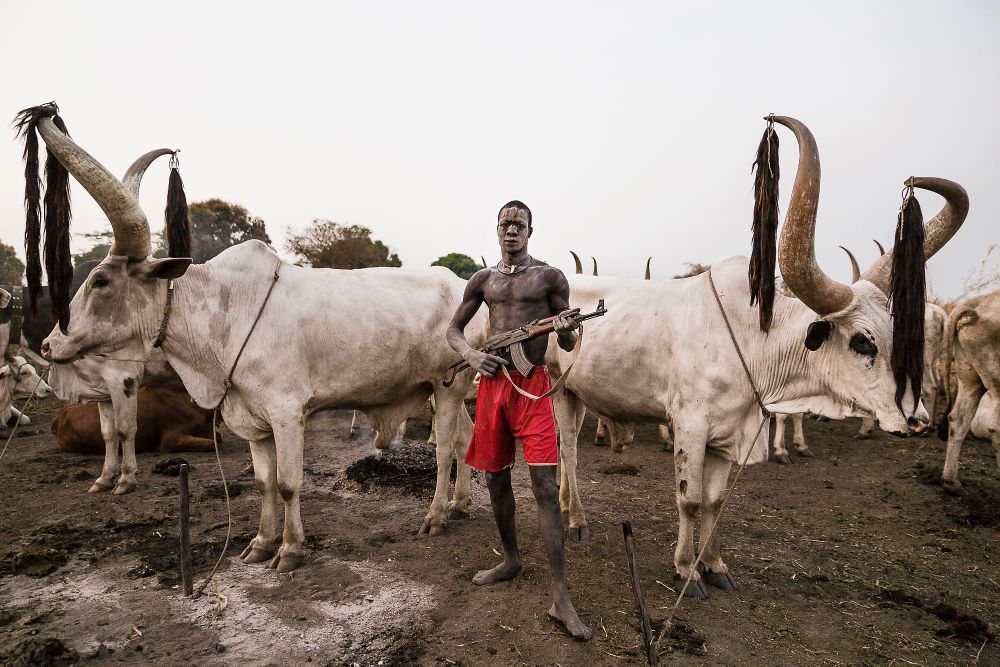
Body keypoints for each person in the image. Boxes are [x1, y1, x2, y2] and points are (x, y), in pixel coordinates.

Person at [446, 200, 592, 641]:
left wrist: (564, 327)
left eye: (519, 224)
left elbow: (567, 340)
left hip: (533, 390)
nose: (511, 230)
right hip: (493, 389)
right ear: (496, 230)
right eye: (505, 223)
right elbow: (454, 330)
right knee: (494, 479)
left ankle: (561, 597)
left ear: (531, 230)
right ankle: (510, 559)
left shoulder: (550, 277)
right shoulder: (482, 279)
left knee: (547, 487)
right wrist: (473, 356)